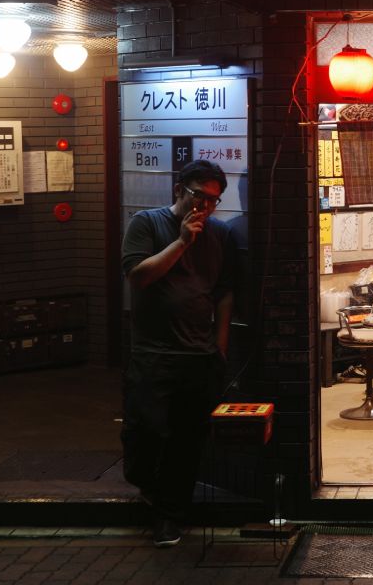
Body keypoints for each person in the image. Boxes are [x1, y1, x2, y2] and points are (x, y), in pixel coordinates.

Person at [120, 160, 235, 548]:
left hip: (198, 355)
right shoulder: (147, 224)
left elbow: (223, 292)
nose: (206, 207)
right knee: (146, 433)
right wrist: (182, 241)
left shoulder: (219, 235)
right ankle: (147, 487)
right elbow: (139, 276)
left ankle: (169, 517)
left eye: (214, 201)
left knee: (186, 441)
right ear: (178, 190)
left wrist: (220, 343)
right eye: (199, 197)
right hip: (153, 352)